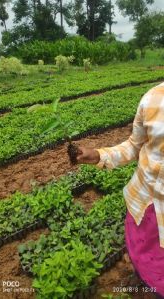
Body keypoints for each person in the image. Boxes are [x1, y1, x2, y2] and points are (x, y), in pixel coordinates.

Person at [76, 82, 164, 299]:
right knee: (148, 259)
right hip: (147, 203)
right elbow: (134, 145)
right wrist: (99, 155)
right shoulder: (152, 99)